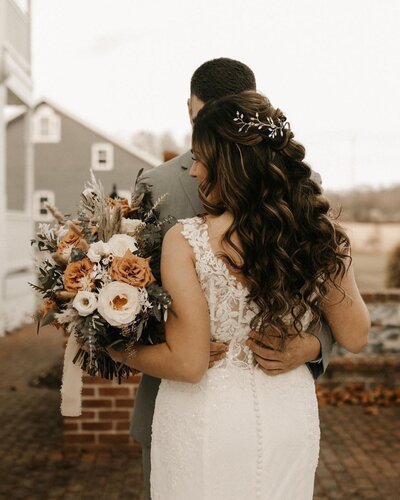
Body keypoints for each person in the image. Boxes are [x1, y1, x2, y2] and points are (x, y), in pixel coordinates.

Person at [108, 90, 370, 499]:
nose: (193, 172)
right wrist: (305, 343)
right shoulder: (322, 233)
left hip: (203, 419)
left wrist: (116, 351)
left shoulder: (188, 240)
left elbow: (190, 362)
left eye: (199, 157)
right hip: (287, 414)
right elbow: (355, 335)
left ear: (228, 163)